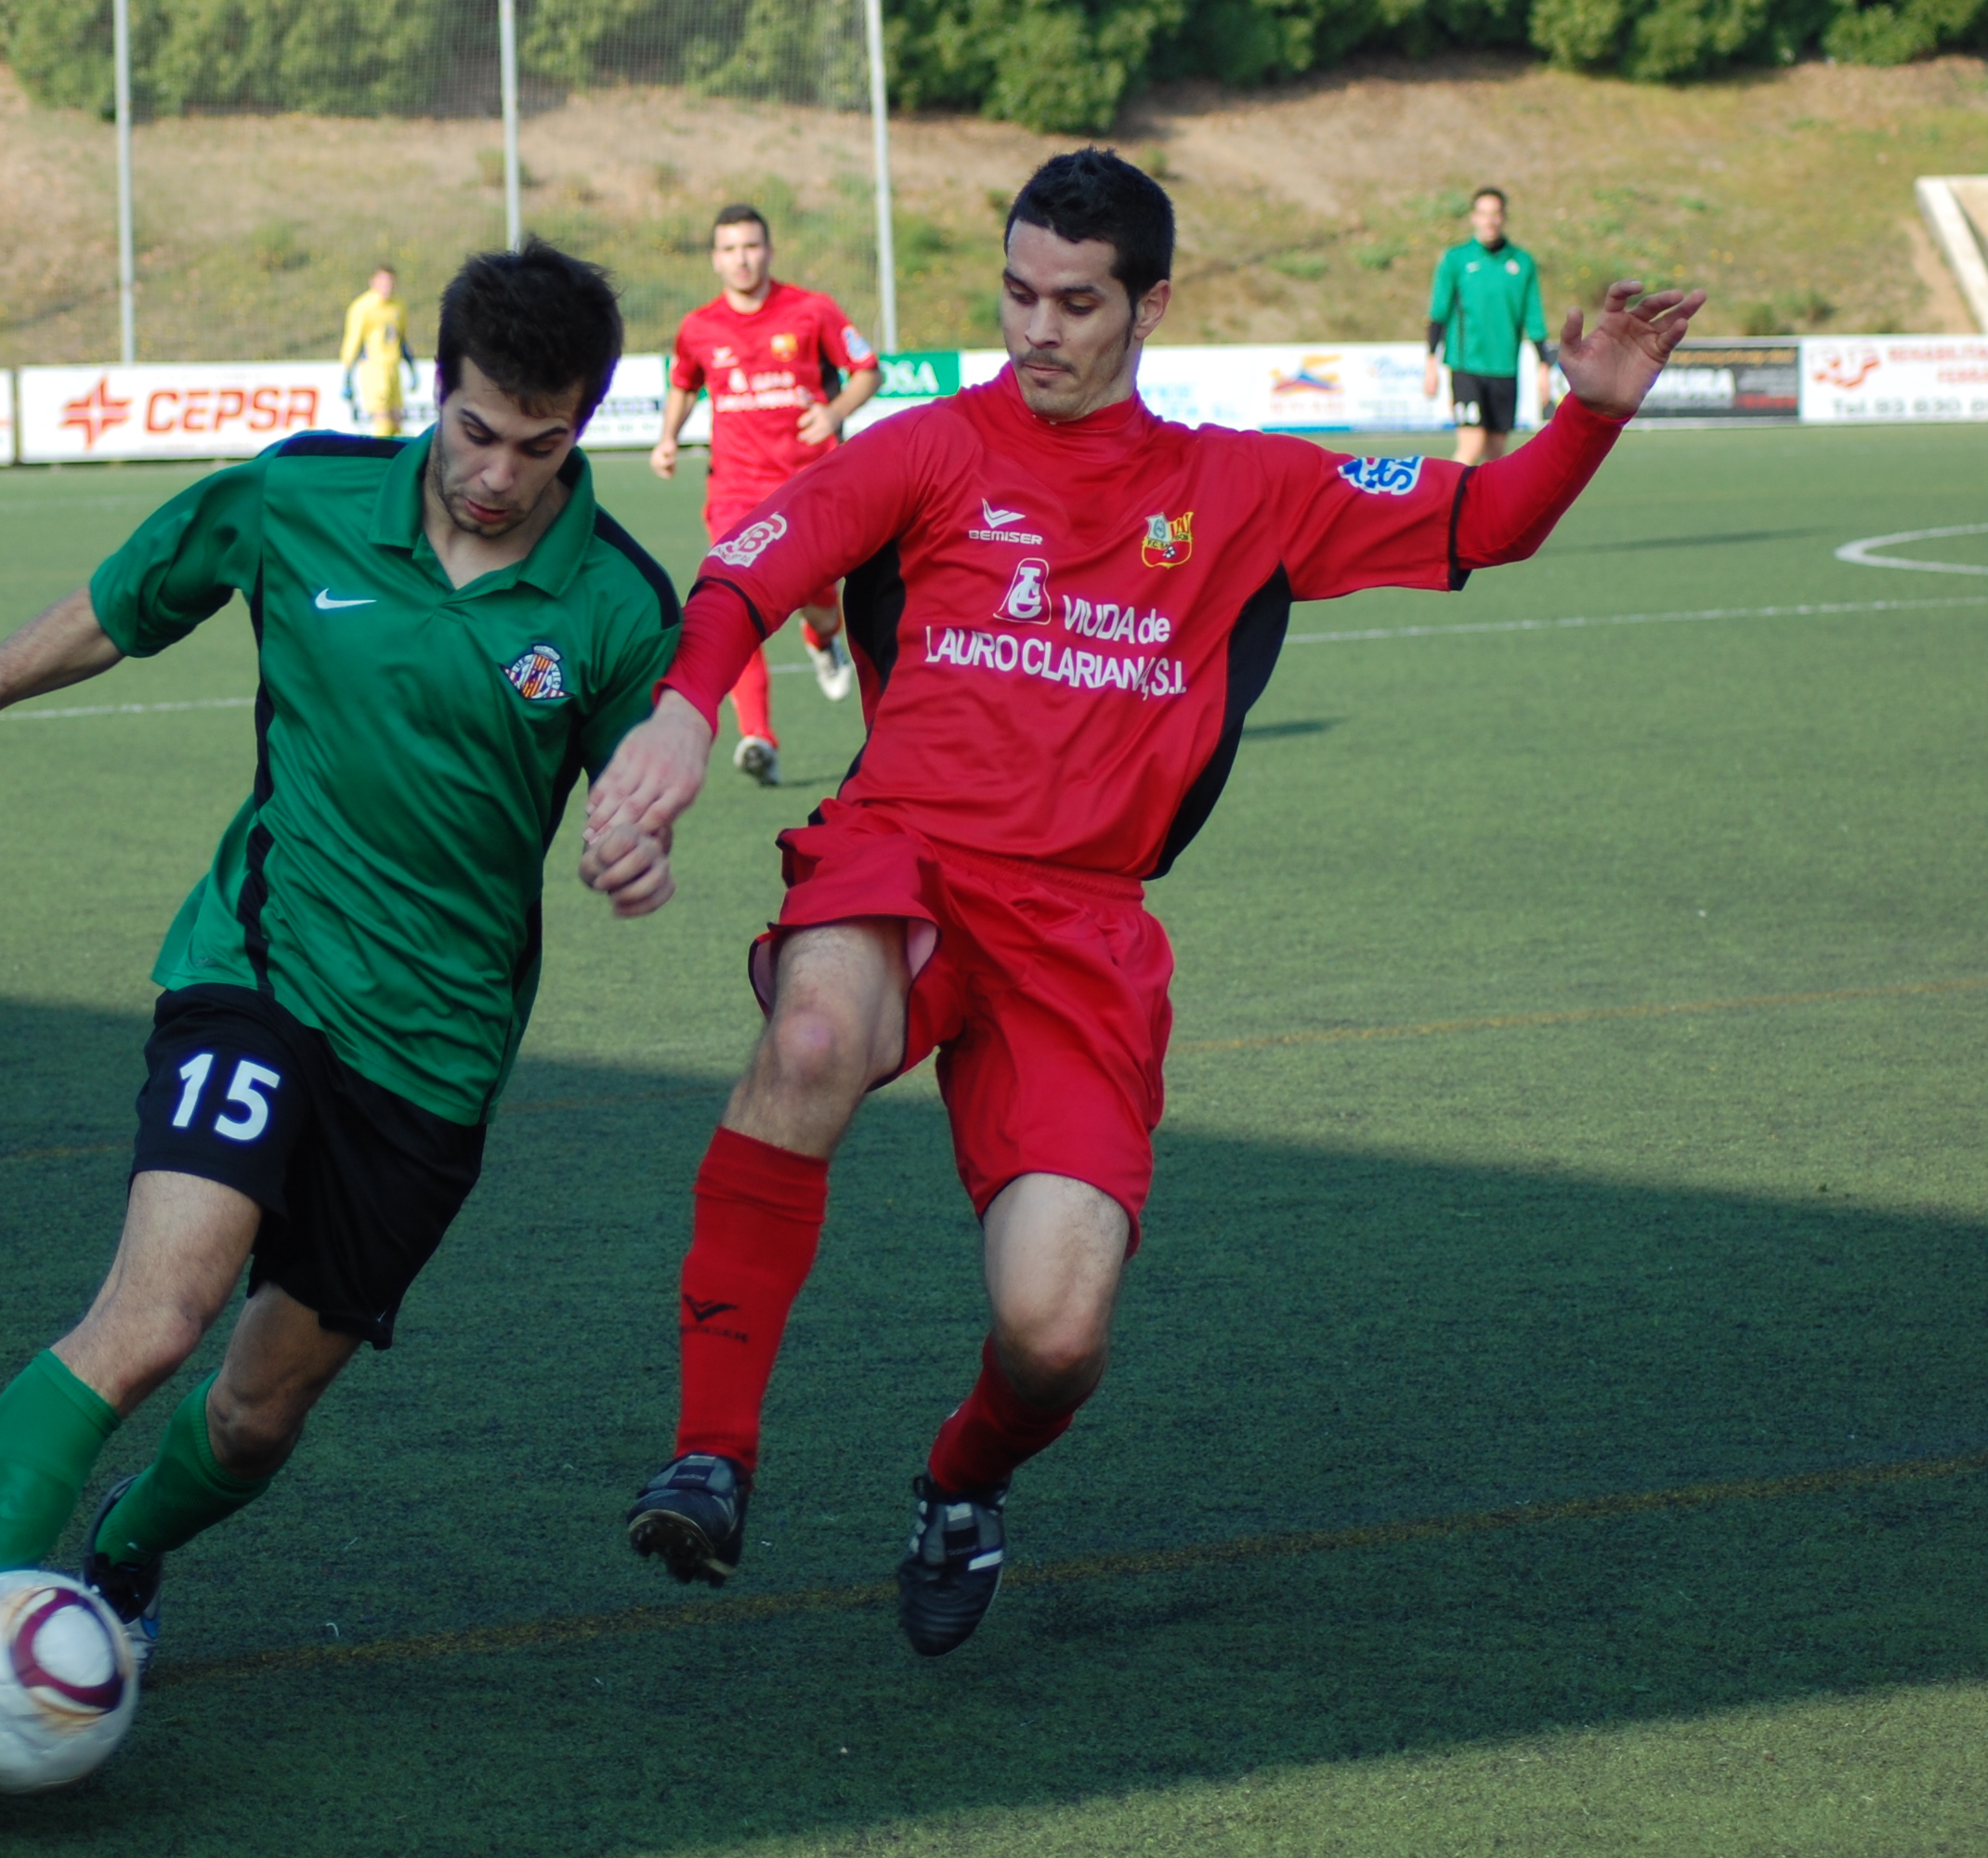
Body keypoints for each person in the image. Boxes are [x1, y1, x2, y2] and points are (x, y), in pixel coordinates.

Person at [582, 149, 1699, 1657]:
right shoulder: (930, 448)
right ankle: (710, 1454)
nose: (1034, 331)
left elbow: (1487, 521)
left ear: (1149, 303)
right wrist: (679, 714)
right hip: (901, 853)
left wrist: (1593, 410)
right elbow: (743, 576)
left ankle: (960, 1485)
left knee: (1052, 1340)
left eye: (1075, 303)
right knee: (805, 1045)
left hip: (1081, 932)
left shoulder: (1246, 489)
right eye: (1016, 294)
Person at [0, 240, 683, 1807]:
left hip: (431, 1061)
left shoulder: (617, 602)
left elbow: (654, 758)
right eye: (475, 429)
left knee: (255, 1408)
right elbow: (114, 606)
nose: (494, 474)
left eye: (537, 446)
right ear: (436, 387)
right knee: (149, 1322)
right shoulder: (301, 497)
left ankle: (129, 1560)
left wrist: (640, 827)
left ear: (584, 430)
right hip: (259, 971)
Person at [651, 204, 883, 786]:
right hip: (734, 492)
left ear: (769, 250)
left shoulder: (812, 310)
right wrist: (667, 440)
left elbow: (867, 369)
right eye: (730, 249)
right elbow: (682, 384)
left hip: (810, 486)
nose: (742, 258)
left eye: (751, 246)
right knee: (734, 605)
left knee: (817, 594)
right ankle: (758, 736)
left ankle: (821, 634)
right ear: (714, 259)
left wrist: (832, 411)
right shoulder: (697, 327)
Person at [1424, 188, 1552, 464]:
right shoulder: (1456, 259)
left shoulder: (1521, 262)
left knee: (1496, 455)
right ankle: (1448, 506)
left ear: (1503, 217)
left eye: (1495, 214)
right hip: (1466, 366)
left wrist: (1544, 364)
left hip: (1505, 368)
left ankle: (1486, 509)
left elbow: (1534, 316)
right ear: (1473, 217)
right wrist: (1431, 362)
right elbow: (1438, 313)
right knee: (1471, 447)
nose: (1489, 221)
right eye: (1483, 214)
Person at [341, 265, 416, 438]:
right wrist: (347, 375)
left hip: (393, 367)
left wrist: (412, 368)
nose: (386, 286)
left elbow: (401, 338)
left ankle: (397, 459)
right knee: (382, 419)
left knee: (397, 420)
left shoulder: (398, 306)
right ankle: (384, 460)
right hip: (374, 368)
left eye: (390, 282)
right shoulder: (363, 307)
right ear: (373, 282)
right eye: (382, 282)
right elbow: (353, 341)